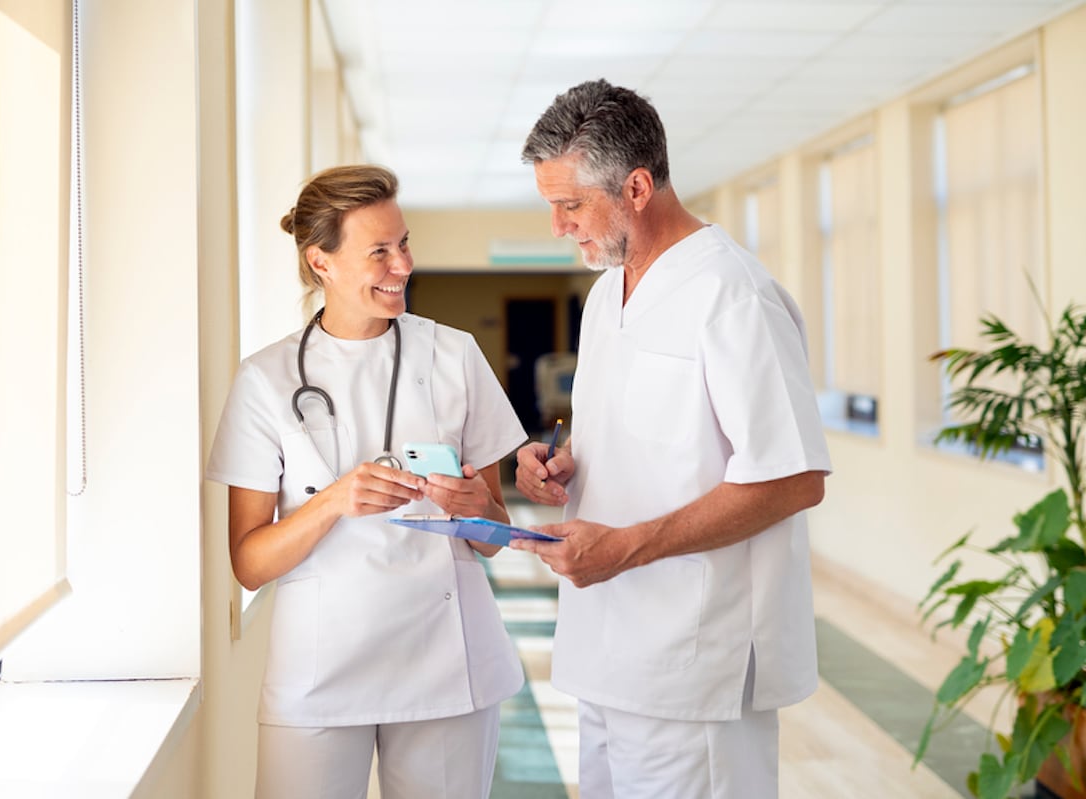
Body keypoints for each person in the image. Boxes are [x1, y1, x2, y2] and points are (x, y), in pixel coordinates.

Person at [510, 79, 832, 799]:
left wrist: (625, 545)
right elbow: (638, 439)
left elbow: (793, 477)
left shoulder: (733, 294)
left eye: (570, 205)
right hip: (604, 650)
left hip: (696, 666)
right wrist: (558, 466)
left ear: (636, 185)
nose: (559, 227)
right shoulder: (604, 295)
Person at [206, 165, 528, 798]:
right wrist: (330, 503)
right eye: (378, 251)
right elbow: (248, 562)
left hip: (446, 665)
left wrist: (477, 506)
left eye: (403, 243)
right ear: (320, 260)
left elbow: (496, 535)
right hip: (321, 672)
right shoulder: (265, 381)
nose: (402, 264)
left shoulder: (455, 355)